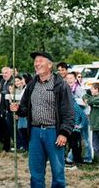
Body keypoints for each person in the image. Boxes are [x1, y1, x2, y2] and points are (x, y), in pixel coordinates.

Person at [10, 51, 74, 188]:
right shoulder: (32, 85)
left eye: (40, 61)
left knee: (58, 172)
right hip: (35, 132)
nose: (36, 64)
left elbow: (68, 112)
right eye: (35, 62)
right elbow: (25, 108)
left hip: (54, 133)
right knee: (36, 173)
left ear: (50, 65)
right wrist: (18, 109)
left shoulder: (61, 85)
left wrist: (64, 133)